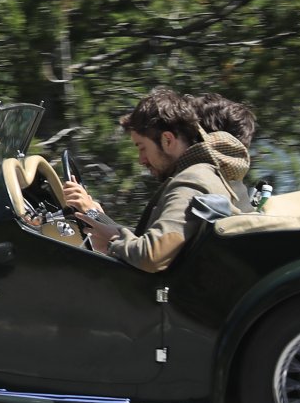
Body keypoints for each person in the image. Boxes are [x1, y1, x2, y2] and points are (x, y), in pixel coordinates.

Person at [61, 87, 253, 272]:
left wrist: (111, 241)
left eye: (142, 147)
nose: (141, 160)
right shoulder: (214, 180)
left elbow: (152, 254)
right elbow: (152, 240)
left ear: (168, 140)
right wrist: (95, 216)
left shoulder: (194, 179)